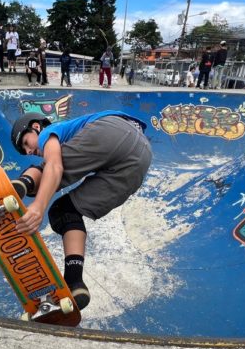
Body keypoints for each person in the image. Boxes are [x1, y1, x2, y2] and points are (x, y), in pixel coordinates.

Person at [9, 111, 153, 310]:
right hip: (141, 157)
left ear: (35, 127)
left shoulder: (48, 132)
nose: (28, 151)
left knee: (46, 171)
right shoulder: (66, 137)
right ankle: (75, 284)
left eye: (25, 143)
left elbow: (55, 167)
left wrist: (38, 207)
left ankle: (17, 187)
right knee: (64, 210)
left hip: (111, 130)